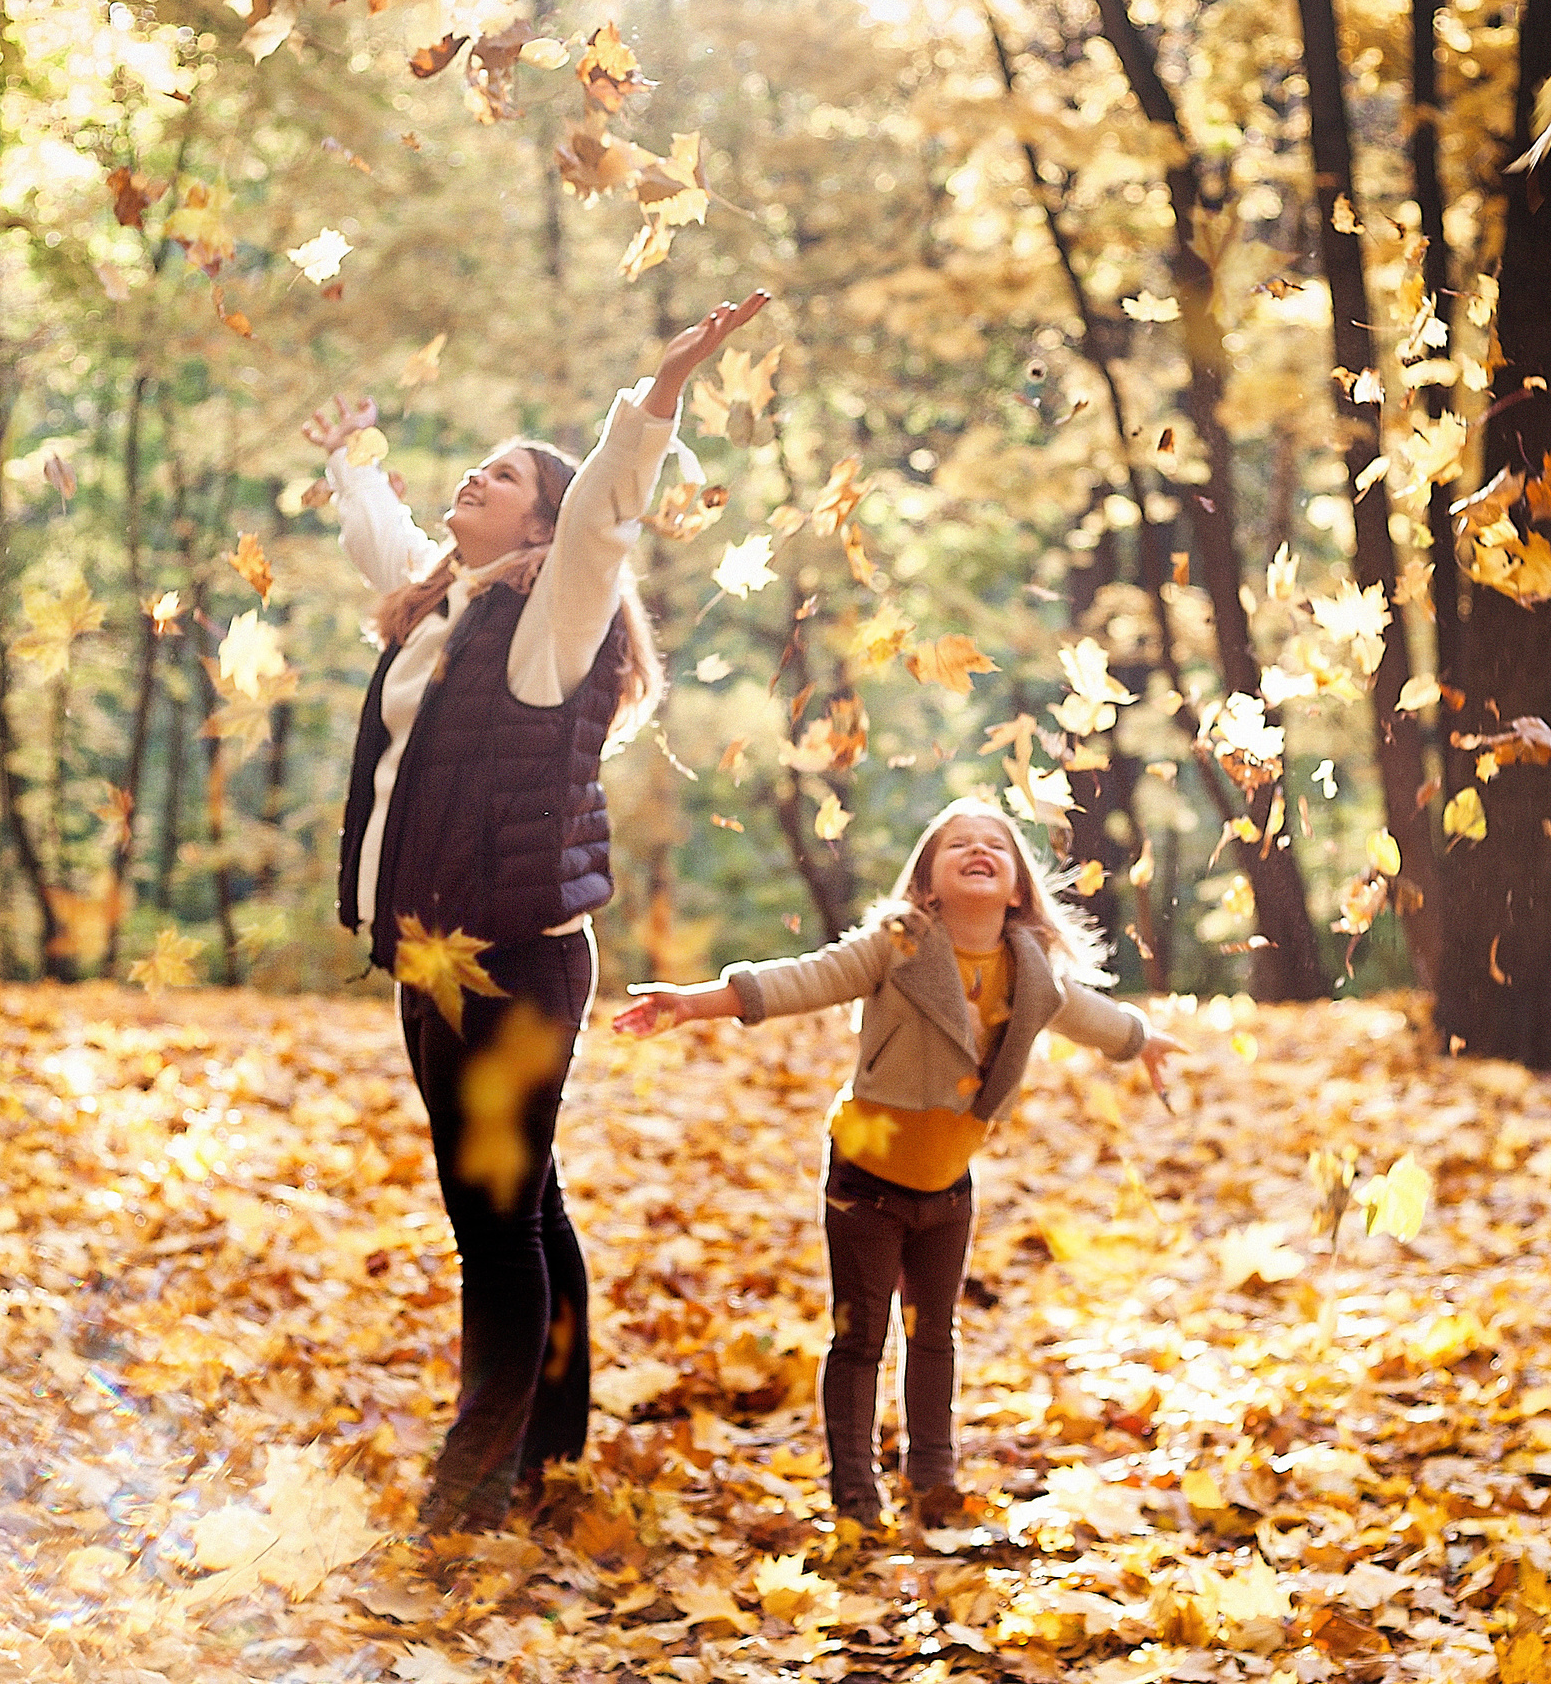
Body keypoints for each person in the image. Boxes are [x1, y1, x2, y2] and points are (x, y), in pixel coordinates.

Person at [303, 292, 770, 1534]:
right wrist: (355, 458)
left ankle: (470, 1490)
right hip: (430, 958)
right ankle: (551, 1448)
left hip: (517, 966)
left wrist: (657, 397)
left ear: (543, 519)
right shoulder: (444, 602)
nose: (476, 475)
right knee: (527, 1199)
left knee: (491, 1218)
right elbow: (383, 536)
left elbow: (611, 511)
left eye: (502, 474)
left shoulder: (550, 621)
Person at [613, 797, 1182, 1534]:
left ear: (1016, 888)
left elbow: (1089, 1014)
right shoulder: (898, 943)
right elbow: (808, 977)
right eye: (957, 845)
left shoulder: (1032, 970)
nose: (978, 849)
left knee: (934, 1331)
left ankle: (933, 1477)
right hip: (866, 1178)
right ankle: (855, 1491)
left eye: (995, 846)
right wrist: (697, 1002)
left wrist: (1144, 1041)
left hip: (948, 1184)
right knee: (859, 1337)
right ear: (927, 882)